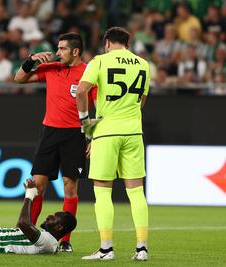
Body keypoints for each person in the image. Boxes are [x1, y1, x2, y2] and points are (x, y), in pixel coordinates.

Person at [14, 32, 95, 252]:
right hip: (50, 132)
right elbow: (19, 79)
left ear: (75, 51)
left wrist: (93, 136)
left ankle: (65, 240)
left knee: (70, 187)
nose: (58, 53)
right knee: (38, 187)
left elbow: (99, 105)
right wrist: (31, 60)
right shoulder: (52, 68)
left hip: (75, 134)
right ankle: (25, 234)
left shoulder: (89, 72)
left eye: (62, 49)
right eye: (58, 48)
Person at [76, 27, 150, 261]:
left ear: (107, 42)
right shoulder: (143, 64)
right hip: (134, 132)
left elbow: (81, 91)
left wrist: (85, 122)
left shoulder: (99, 61)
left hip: (107, 132)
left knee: (103, 191)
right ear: (127, 43)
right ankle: (142, 249)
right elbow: (141, 102)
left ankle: (106, 249)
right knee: (137, 192)